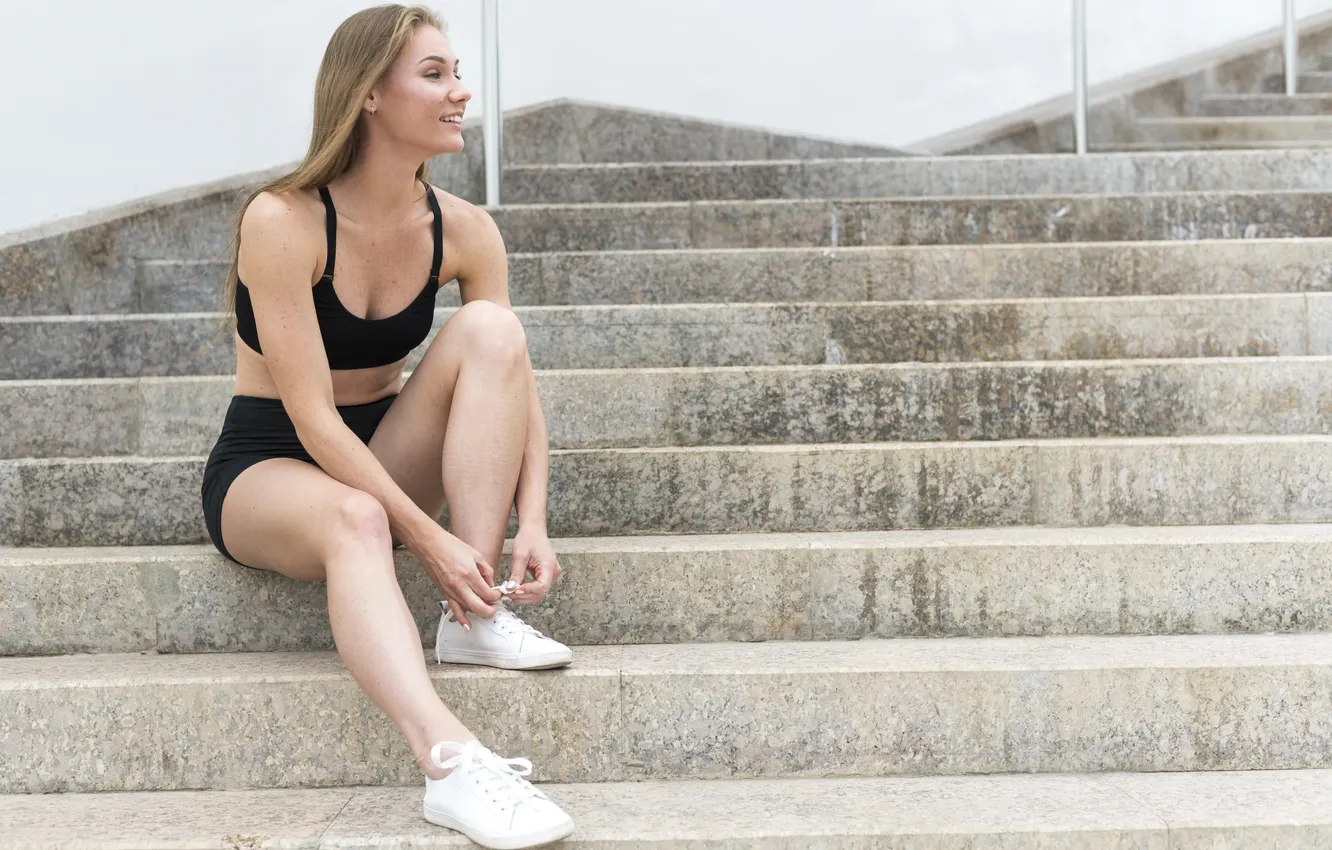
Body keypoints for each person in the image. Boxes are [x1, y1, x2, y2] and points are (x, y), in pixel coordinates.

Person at [198, 4, 576, 847]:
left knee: (494, 330)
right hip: (271, 464)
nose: (461, 94)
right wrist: (427, 541)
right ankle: (450, 763)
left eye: (458, 74)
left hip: (383, 445)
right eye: (434, 75)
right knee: (356, 516)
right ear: (369, 95)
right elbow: (311, 418)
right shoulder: (283, 220)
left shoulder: (466, 229)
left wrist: (535, 519)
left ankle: (476, 617)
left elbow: (515, 378)